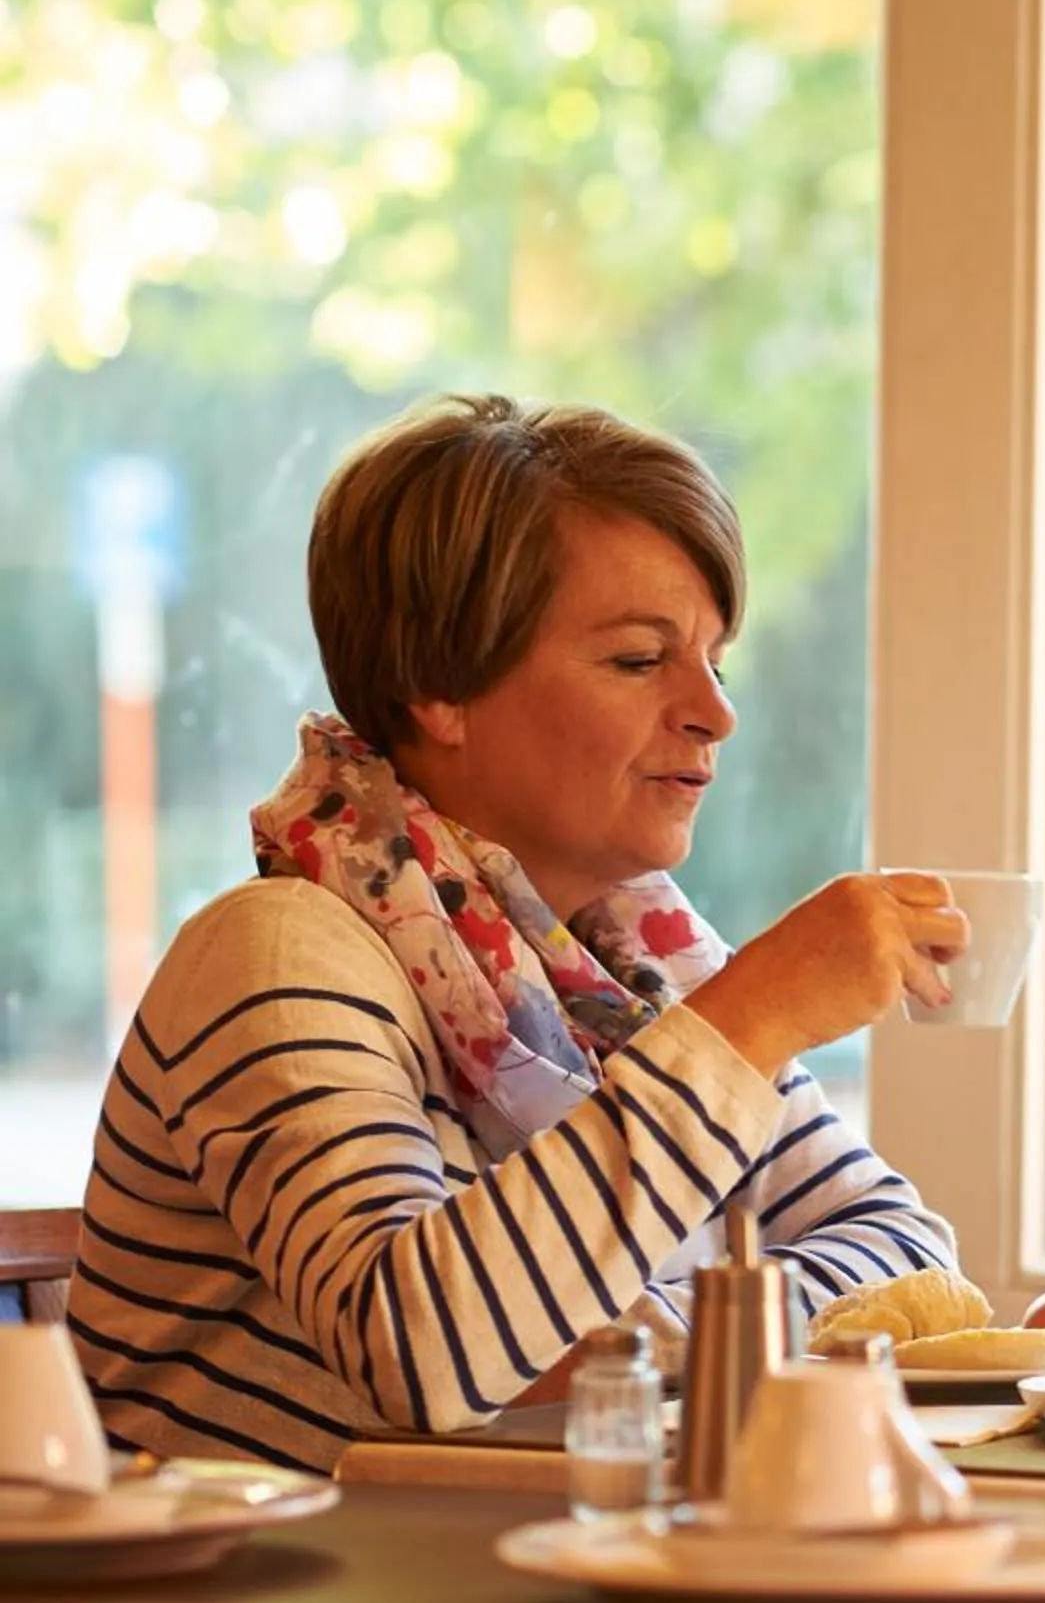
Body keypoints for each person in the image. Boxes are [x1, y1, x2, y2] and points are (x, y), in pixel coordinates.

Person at [72, 395, 975, 1475]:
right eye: (642, 660)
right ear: (436, 690)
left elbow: (915, 1256)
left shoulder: (629, 965)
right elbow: (424, 1350)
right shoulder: (277, 953)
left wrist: (612, 1333)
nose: (714, 711)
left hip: (521, 1592)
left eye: (715, 661)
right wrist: (755, 1015)